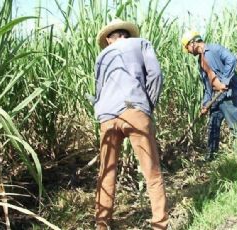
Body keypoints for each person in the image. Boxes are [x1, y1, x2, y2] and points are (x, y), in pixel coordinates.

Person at [94, 19, 168, 230]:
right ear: (127, 34)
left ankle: (102, 225)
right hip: (135, 110)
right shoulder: (141, 44)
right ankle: (160, 225)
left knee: (106, 172)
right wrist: (147, 106)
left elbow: (99, 90)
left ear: (109, 39)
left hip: (107, 116)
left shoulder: (102, 56)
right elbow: (155, 75)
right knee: (152, 172)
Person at [180, 31, 237, 160]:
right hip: (216, 97)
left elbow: (231, 59)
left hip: (228, 95)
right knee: (213, 125)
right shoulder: (200, 61)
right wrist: (205, 104)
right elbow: (207, 85)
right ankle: (211, 156)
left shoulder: (215, 49)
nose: (188, 51)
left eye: (187, 47)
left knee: (234, 126)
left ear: (193, 43)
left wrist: (224, 81)